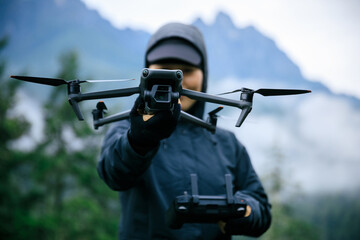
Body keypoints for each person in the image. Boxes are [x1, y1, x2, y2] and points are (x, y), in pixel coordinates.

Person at [97, 22, 271, 239]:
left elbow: (261, 207)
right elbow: (113, 173)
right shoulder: (126, 129)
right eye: (164, 70)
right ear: (147, 74)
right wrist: (139, 141)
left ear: (203, 75)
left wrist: (243, 211)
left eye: (186, 71)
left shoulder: (228, 143)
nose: (175, 82)